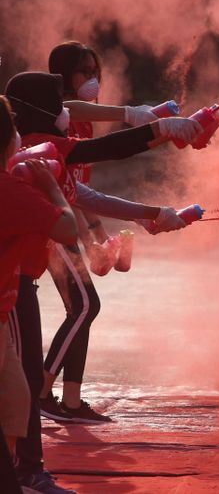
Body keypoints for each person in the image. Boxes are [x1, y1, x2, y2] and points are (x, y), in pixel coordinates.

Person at [5, 71, 200, 491]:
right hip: (13, 283)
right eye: (58, 103)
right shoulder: (41, 148)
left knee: (20, 381)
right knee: (21, 380)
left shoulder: (39, 149)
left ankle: (29, 465)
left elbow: (86, 195)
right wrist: (162, 129)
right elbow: (109, 150)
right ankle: (27, 469)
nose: (65, 110)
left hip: (23, 281)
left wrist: (151, 214)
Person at [35, 41, 161, 425]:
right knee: (86, 307)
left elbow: (80, 192)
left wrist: (97, 240)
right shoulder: (61, 113)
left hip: (68, 228)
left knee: (83, 309)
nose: (92, 79)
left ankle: (71, 400)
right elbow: (65, 190)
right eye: (83, 72)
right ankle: (41, 393)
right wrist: (137, 116)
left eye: (96, 72)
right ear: (62, 77)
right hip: (50, 228)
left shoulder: (85, 125)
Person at [0, 94, 79, 494]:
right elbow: (67, 227)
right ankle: (23, 475)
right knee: (15, 399)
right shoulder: (10, 190)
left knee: (16, 399)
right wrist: (51, 187)